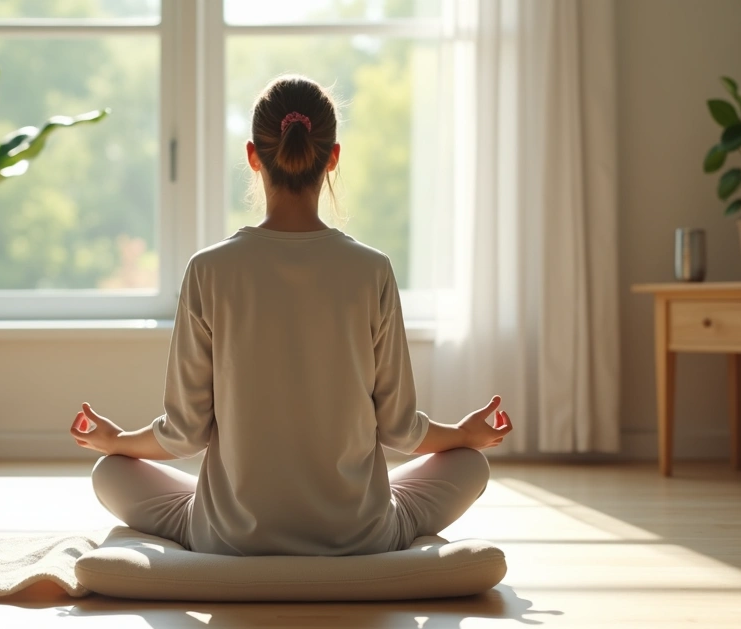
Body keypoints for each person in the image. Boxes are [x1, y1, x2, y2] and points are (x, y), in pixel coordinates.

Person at [69, 75, 513, 557]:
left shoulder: (208, 270)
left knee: (110, 471)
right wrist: (465, 434)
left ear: (253, 155)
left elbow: (185, 434)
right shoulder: (372, 271)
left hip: (228, 537)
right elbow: (400, 431)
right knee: (470, 464)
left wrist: (117, 439)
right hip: (361, 535)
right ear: (333, 157)